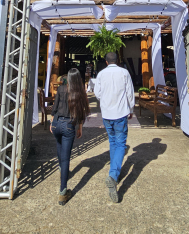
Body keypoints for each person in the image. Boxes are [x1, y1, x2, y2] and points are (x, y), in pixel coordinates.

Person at [93, 51, 135, 203]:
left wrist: (105, 99)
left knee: (112, 142)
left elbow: (97, 93)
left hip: (107, 113)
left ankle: (114, 172)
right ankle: (113, 174)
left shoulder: (101, 74)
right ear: (117, 60)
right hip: (120, 113)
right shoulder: (124, 73)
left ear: (106, 62)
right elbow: (130, 93)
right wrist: (131, 109)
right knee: (121, 143)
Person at [50, 68, 90, 205]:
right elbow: (81, 112)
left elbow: (54, 107)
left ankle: (62, 170)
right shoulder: (79, 92)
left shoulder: (61, 89)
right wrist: (80, 127)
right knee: (66, 157)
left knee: (59, 147)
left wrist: (52, 122)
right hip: (68, 125)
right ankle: (63, 192)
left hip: (57, 123)